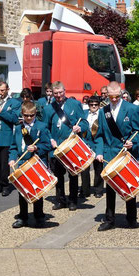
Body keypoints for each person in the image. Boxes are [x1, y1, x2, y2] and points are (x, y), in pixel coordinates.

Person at [95, 81, 139, 231]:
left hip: (126, 153)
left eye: (117, 96)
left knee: (129, 185)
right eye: (111, 97)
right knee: (110, 189)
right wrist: (98, 152)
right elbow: (99, 135)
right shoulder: (103, 112)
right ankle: (109, 219)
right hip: (110, 154)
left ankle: (131, 218)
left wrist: (133, 143)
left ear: (121, 94)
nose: (114, 99)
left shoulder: (133, 109)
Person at [42, 81, 88, 211]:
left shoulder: (75, 104)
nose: (58, 95)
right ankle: (60, 200)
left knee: (73, 174)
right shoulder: (48, 108)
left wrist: (80, 127)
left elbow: (84, 122)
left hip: (71, 146)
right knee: (58, 175)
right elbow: (44, 128)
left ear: (65, 91)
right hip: (56, 147)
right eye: (55, 93)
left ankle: (73, 200)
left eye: (60, 92)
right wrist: (50, 139)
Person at [9, 101, 52, 229]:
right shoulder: (18, 128)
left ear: (35, 114)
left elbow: (48, 145)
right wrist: (11, 159)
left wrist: (37, 148)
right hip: (22, 162)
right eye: (26, 115)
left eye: (31, 115)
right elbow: (13, 147)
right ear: (22, 114)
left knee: (37, 191)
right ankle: (23, 217)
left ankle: (39, 217)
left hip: (36, 162)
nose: (28, 118)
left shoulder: (42, 126)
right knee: (22, 192)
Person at [0, 81, 21, 197]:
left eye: (3, 90)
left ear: (7, 90)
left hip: (6, 134)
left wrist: (2, 112)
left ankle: (6, 185)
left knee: (4, 162)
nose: (1, 93)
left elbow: (15, 119)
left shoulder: (14, 103)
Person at [80, 95, 103, 199]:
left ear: (99, 105)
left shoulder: (102, 115)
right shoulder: (83, 114)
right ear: (88, 105)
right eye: (91, 104)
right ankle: (85, 191)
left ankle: (98, 190)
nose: (94, 106)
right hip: (85, 143)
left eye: (96, 104)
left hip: (98, 143)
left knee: (98, 168)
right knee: (84, 169)